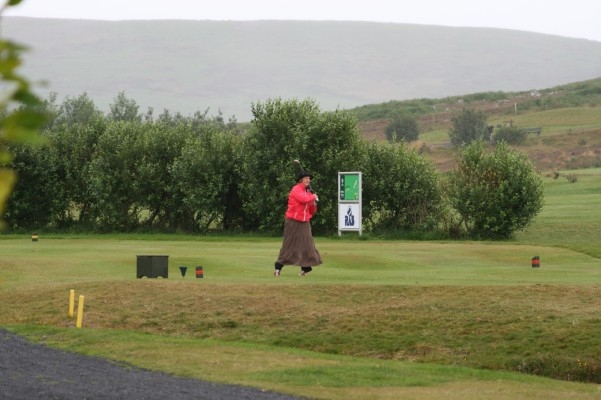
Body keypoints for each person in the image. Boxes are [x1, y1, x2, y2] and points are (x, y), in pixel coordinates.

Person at [274, 170, 323, 277]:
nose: (308, 180)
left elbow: (311, 210)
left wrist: (314, 204)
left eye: (309, 179)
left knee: (307, 244)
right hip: (293, 220)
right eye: (306, 178)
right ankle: (278, 267)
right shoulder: (296, 189)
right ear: (301, 180)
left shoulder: (308, 192)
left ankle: (305, 268)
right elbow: (303, 199)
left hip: (305, 221)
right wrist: (313, 196)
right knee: (289, 244)